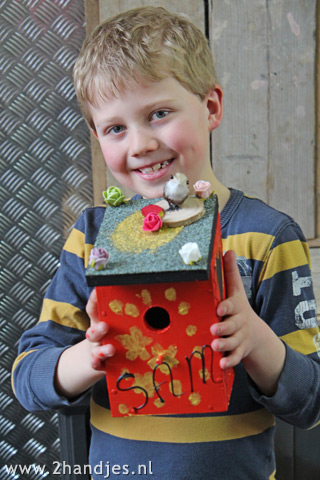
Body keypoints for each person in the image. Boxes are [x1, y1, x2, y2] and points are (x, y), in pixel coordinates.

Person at [12, 6, 320, 479]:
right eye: (115, 128)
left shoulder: (267, 237)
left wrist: (256, 340)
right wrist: (90, 355)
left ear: (211, 107)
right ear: (96, 136)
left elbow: (312, 402)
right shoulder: (93, 238)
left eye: (159, 113)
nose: (139, 144)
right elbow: (27, 378)